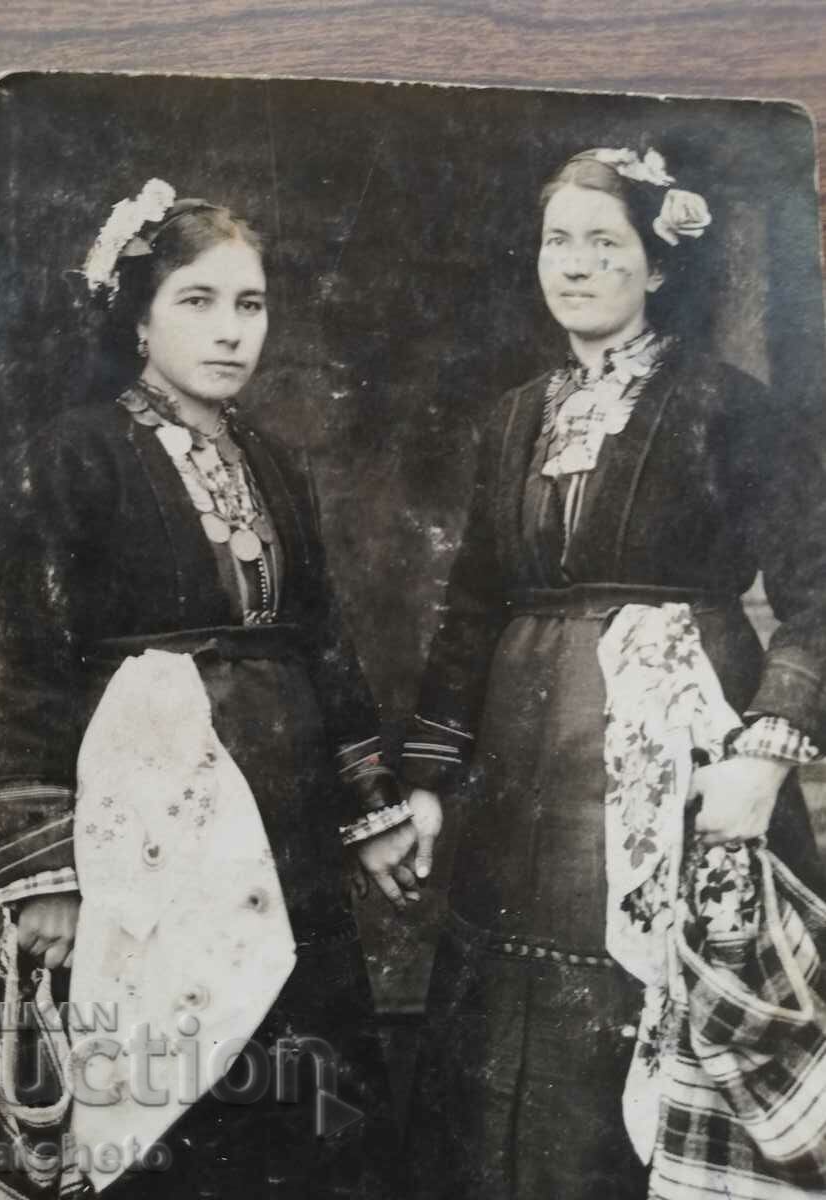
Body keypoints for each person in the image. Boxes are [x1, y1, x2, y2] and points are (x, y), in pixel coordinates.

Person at [0, 181, 417, 1198]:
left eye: (249, 305)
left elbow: (323, 642)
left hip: (287, 816)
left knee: (304, 1091)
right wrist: (44, 863)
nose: (230, 333)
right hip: (153, 823)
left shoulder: (272, 461)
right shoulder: (76, 454)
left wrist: (372, 806)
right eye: (197, 302)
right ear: (137, 316)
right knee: (186, 1095)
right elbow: (27, 661)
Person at [401, 147, 826, 1199]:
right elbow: (470, 606)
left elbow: (820, 590)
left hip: (679, 761)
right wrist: (423, 779)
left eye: (605, 244)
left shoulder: (731, 408)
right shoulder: (512, 421)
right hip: (519, 774)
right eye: (559, 242)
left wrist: (767, 754)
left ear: (658, 265)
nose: (576, 267)